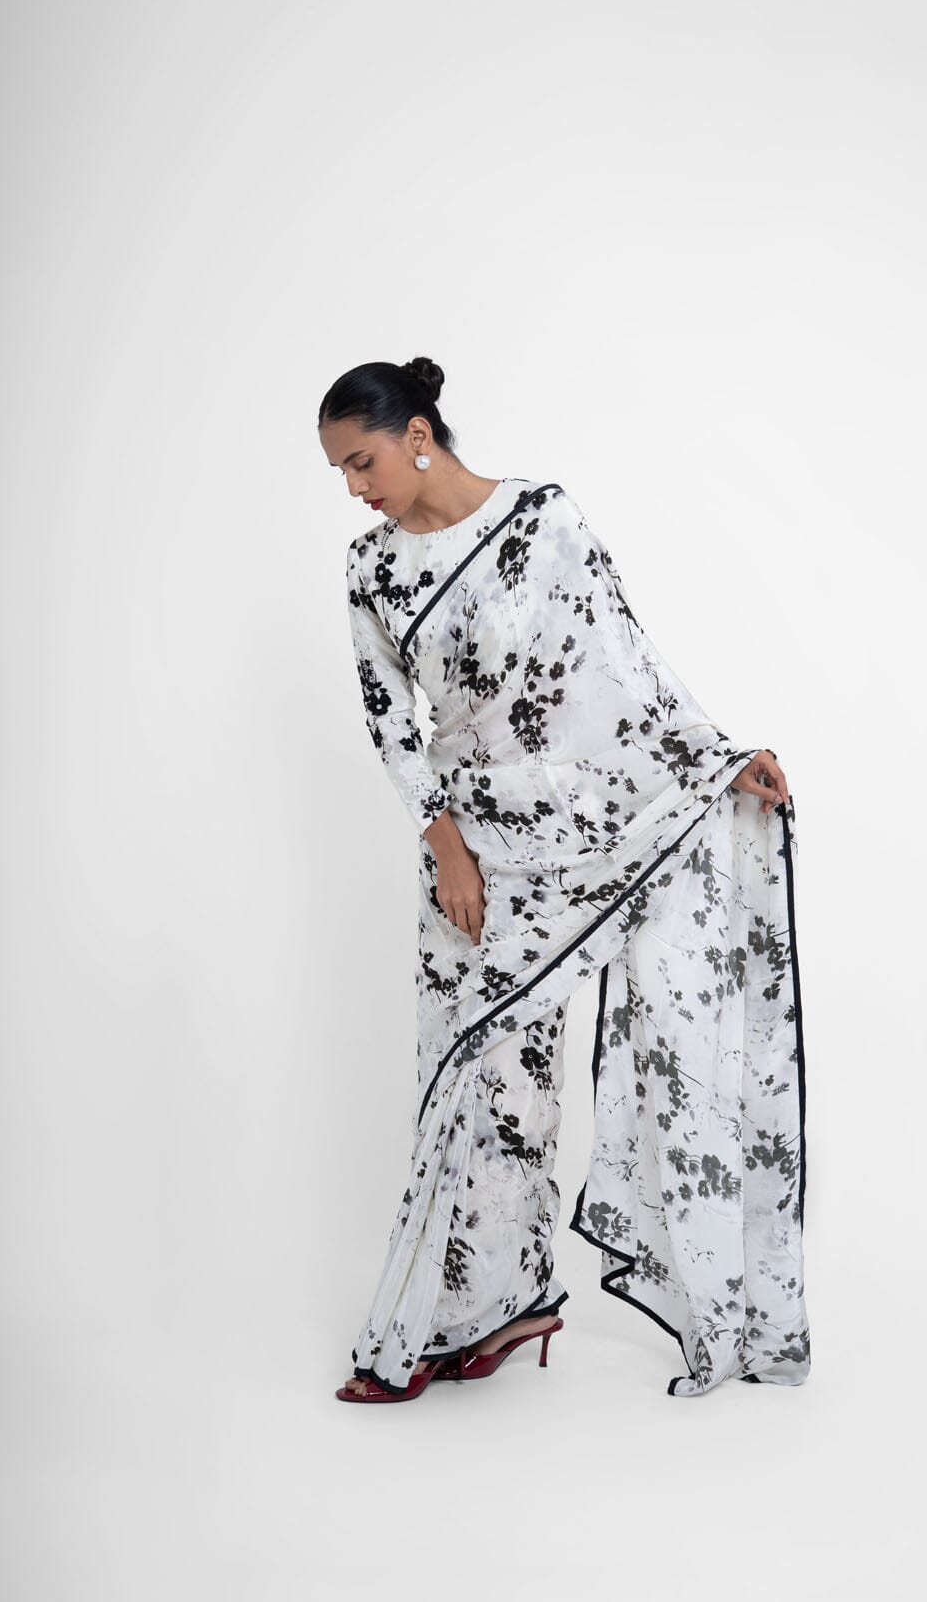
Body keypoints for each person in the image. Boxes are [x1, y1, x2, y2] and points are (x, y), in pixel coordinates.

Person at [319, 356, 810, 1404]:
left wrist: (718, 758)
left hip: (581, 837)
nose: (354, 489)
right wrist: (447, 845)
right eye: (341, 473)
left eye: (362, 462)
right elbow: (390, 724)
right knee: (478, 1083)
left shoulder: (543, 523)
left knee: (611, 1052)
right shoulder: (371, 569)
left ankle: (687, 1301)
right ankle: (481, 1310)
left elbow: (626, 668)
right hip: (470, 864)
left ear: (417, 436)